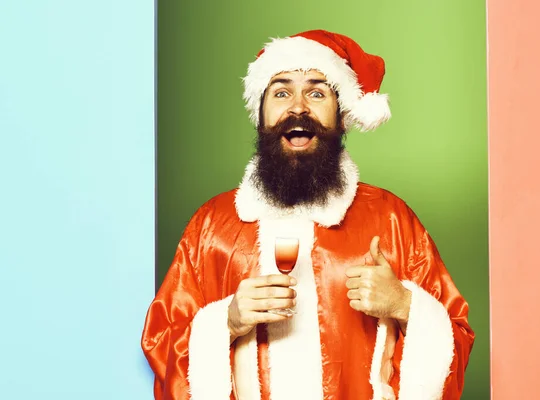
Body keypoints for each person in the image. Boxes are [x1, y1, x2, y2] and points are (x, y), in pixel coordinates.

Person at [141, 29, 475, 400]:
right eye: (281, 92)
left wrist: (404, 304)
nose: (298, 107)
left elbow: (456, 333)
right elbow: (161, 339)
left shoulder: (390, 219)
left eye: (317, 92)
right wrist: (227, 322)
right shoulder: (212, 225)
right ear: (261, 115)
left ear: (342, 116)